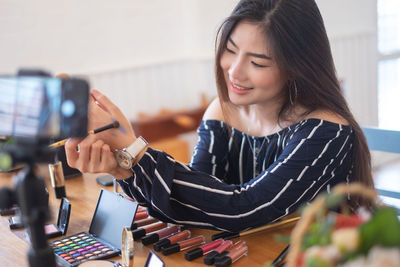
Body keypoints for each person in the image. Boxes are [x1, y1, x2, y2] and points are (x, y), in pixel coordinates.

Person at [65, 0, 374, 232]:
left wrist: (134, 151)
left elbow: (243, 208)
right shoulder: (223, 110)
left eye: (258, 62)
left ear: (296, 68)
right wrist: (124, 167)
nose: (234, 71)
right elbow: (199, 202)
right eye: (230, 48)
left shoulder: (327, 132)